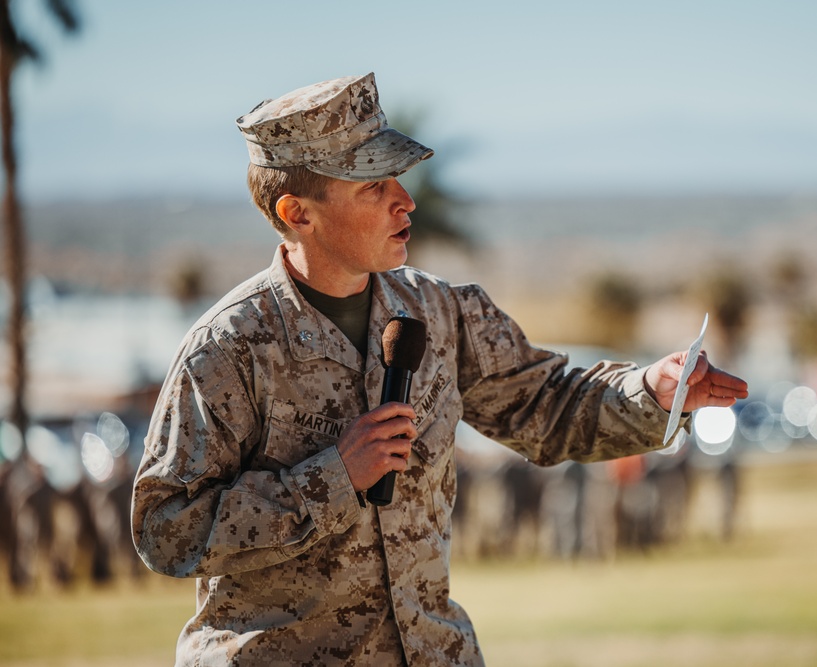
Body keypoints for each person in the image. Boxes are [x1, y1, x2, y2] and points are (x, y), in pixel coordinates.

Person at [131, 72, 749, 667]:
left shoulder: (442, 312)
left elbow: (546, 405)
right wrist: (333, 478)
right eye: (373, 186)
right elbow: (166, 528)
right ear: (298, 213)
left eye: (396, 177)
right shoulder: (230, 348)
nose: (406, 200)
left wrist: (649, 391)